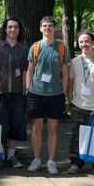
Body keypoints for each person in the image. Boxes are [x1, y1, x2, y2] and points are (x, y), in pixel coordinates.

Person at [25, 16, 70, 175]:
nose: (47, 28)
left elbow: (65, 72)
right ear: (40, 28)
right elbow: (30, 69)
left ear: (55, 28)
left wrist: (64, 92)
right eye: (45, 26)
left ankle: (51, 161)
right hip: (36, 93)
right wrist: (28, 89)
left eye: (50, 26)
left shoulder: (62, 48)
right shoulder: (35, 47)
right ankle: (36, 159)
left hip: (55, 94)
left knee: (53, 128)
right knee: (36, 128)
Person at [67, 30, 94, 176]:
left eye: (87, 41)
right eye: (81, 42)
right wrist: (70, 100)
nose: (84, 44)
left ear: (92, 43)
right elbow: (70, 83)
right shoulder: (74, 62)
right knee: (76, 136)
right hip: (78, 105)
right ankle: (75, 163)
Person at [0, 17, 28, 168]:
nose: (13, 30)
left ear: (19, 30)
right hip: (1, 94)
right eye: (10, 27)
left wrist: (25, 91)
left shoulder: (24, 49)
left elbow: (26, 70)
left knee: (16, 125)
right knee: (0, 125)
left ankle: (11, 156)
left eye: (16, 27)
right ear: (5, 29)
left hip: (18, 93)